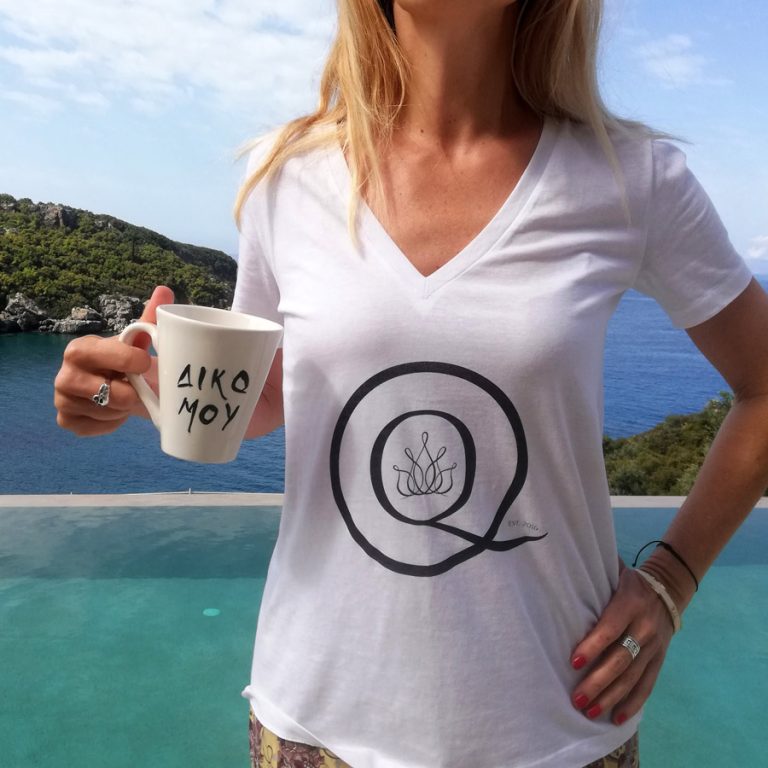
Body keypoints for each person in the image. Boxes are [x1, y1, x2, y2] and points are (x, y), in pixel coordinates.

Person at [53, 1, 768, 766]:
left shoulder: (630, 179)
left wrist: (670, 581)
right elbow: (266, 394)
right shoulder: (286, 178)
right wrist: (142, 390)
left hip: (555, 731)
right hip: (315, 722)